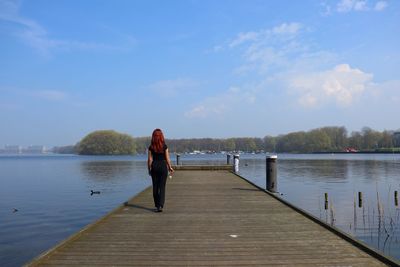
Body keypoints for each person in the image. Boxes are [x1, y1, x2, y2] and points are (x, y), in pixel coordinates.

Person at [147, 129, 174, 212]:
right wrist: (170, 167)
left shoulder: (151, 147)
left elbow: (149, 159)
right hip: (163, 166)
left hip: (154, 166)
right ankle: (161, 206)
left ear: (153, 137)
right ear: (161, 136)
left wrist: (149, 169)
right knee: (162, 187)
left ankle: (157, 204)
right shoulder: (164, 146)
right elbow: (167, 158)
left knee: (155, 187)